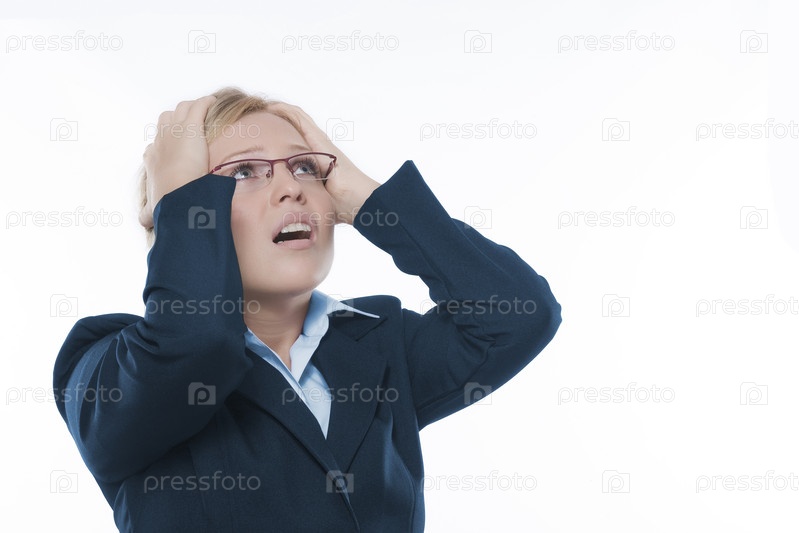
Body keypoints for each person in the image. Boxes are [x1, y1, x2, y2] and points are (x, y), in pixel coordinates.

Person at [53, 87, 562, 532]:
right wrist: (179, 198)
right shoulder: (107, 370)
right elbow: (195, 342)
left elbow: (519, 315)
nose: (291, 187)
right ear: (180, 209)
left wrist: (367, 196)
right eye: (245, 171)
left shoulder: (380, 346)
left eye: (305, 167)